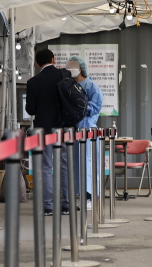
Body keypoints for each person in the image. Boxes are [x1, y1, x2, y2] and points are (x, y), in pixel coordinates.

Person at [25, 48, 69, 215]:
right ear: (54, 60)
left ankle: (48, 206)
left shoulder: (33, 82)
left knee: (46, 166)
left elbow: (30, 110)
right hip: (64, 128)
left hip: (44, 129)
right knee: (65, 165)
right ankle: (67, 204)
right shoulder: (65, 76)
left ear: (37, 64)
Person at [66, 56, 103, 210]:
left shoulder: (92, 86)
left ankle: (89, 197)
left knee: (87, 163)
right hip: (74, 130)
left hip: (87, 129)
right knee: (76, 164)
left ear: (80, 68)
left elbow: (95, 106)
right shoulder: (70, 85)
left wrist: (80, 107)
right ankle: (81, 195)